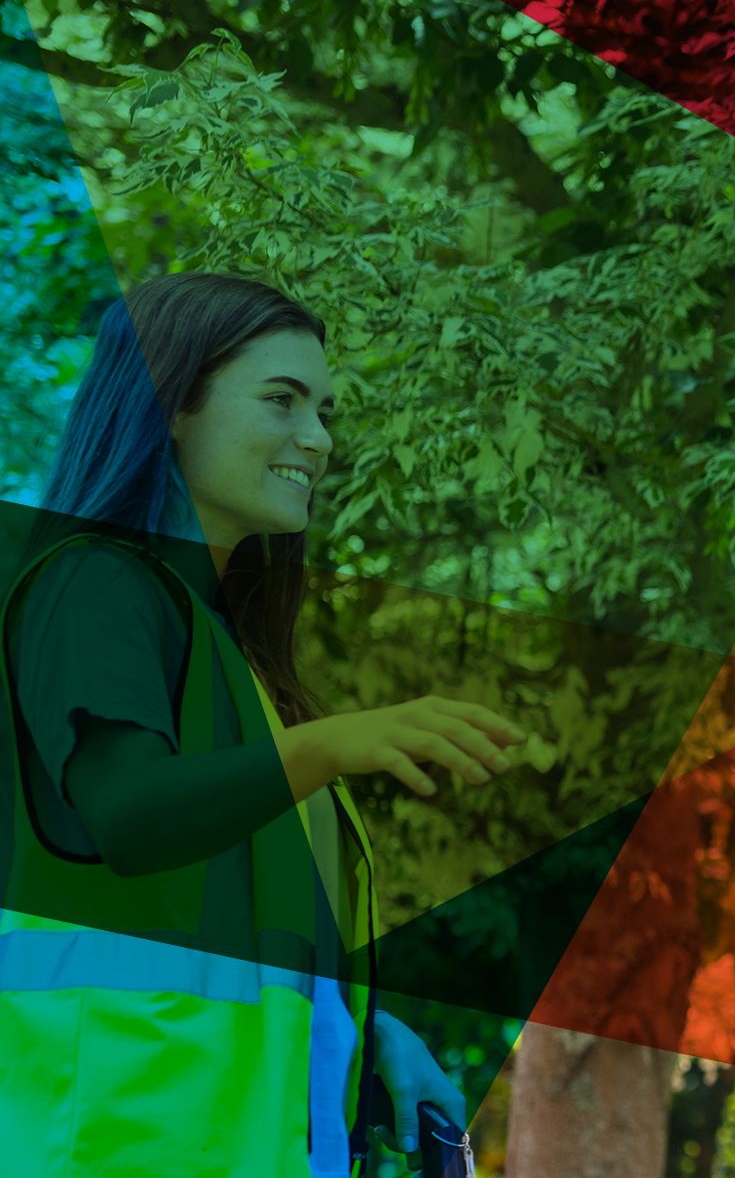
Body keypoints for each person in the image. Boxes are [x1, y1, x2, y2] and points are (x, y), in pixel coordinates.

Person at [0, 272, 530, 1176]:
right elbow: (126, 815)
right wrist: (328, 745)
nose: (317, 439)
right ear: (170, 404)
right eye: (281, 401)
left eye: (324, 409)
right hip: (106, 1146)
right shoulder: (92, 585)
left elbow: (233, 951)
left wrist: (365, 1031)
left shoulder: (233, 657)